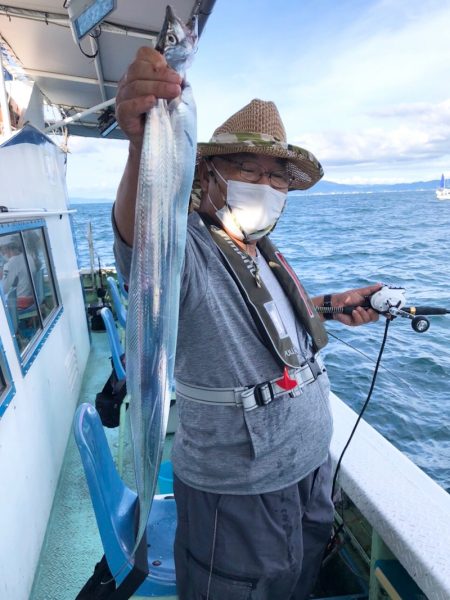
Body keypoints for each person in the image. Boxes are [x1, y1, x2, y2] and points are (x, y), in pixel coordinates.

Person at [113, 47, 380, 600]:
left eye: (276, 175)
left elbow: (268, 320)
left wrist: (332, 305)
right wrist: (145, 144)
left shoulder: (261, 248)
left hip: (308, 469)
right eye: (246, 168)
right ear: (206, 173)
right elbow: (143, 238)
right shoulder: (184, 242)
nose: (264, 183)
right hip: (237, 492)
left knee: (297, 583)